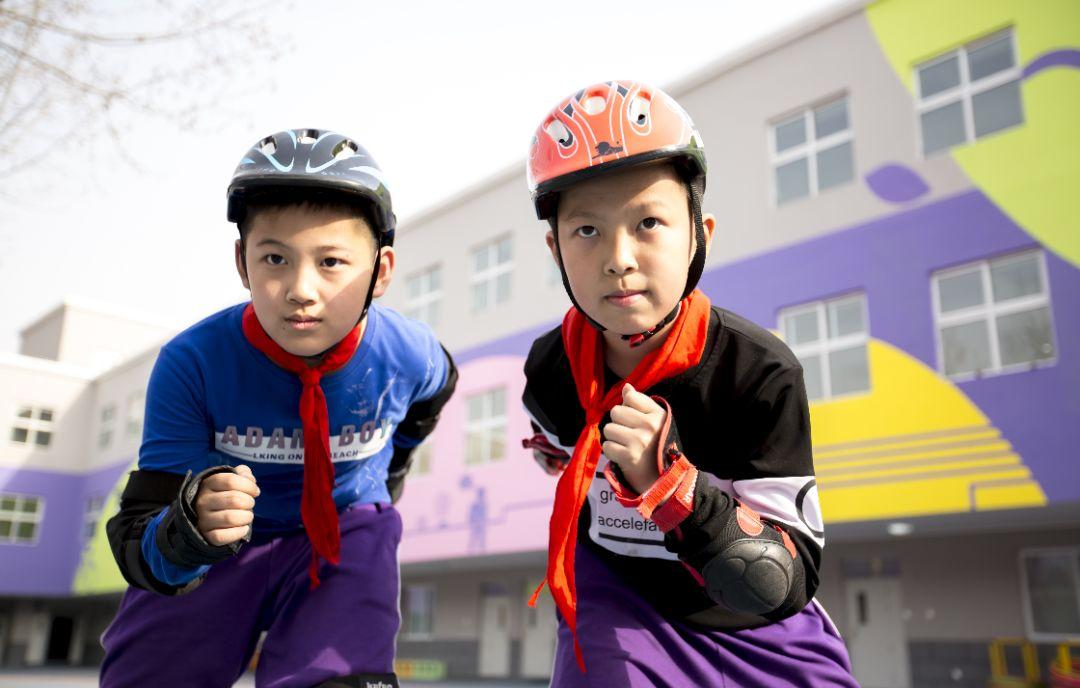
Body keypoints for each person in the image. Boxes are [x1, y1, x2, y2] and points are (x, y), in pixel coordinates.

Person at [520, 82, 858, 687]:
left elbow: (786, 579)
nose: (619, 258)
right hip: (620, 603)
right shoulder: (549, 368)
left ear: (701, 232)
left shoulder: (758, 372)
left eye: (649, 222)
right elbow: (551, 443)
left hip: (756, 627)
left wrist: (671, 485)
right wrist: (558, 455)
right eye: (587, 230)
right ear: (555, 249)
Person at [100, 128, 457, 688]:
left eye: (331, 261)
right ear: (242, 264)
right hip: (219, 546)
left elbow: (433, 395)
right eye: (274, 258)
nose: (300, 289)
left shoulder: (410, 353)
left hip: (344, 530)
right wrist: (189, 529)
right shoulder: (192, 363)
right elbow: (141, 533)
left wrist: (392, 471)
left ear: (381, 272)